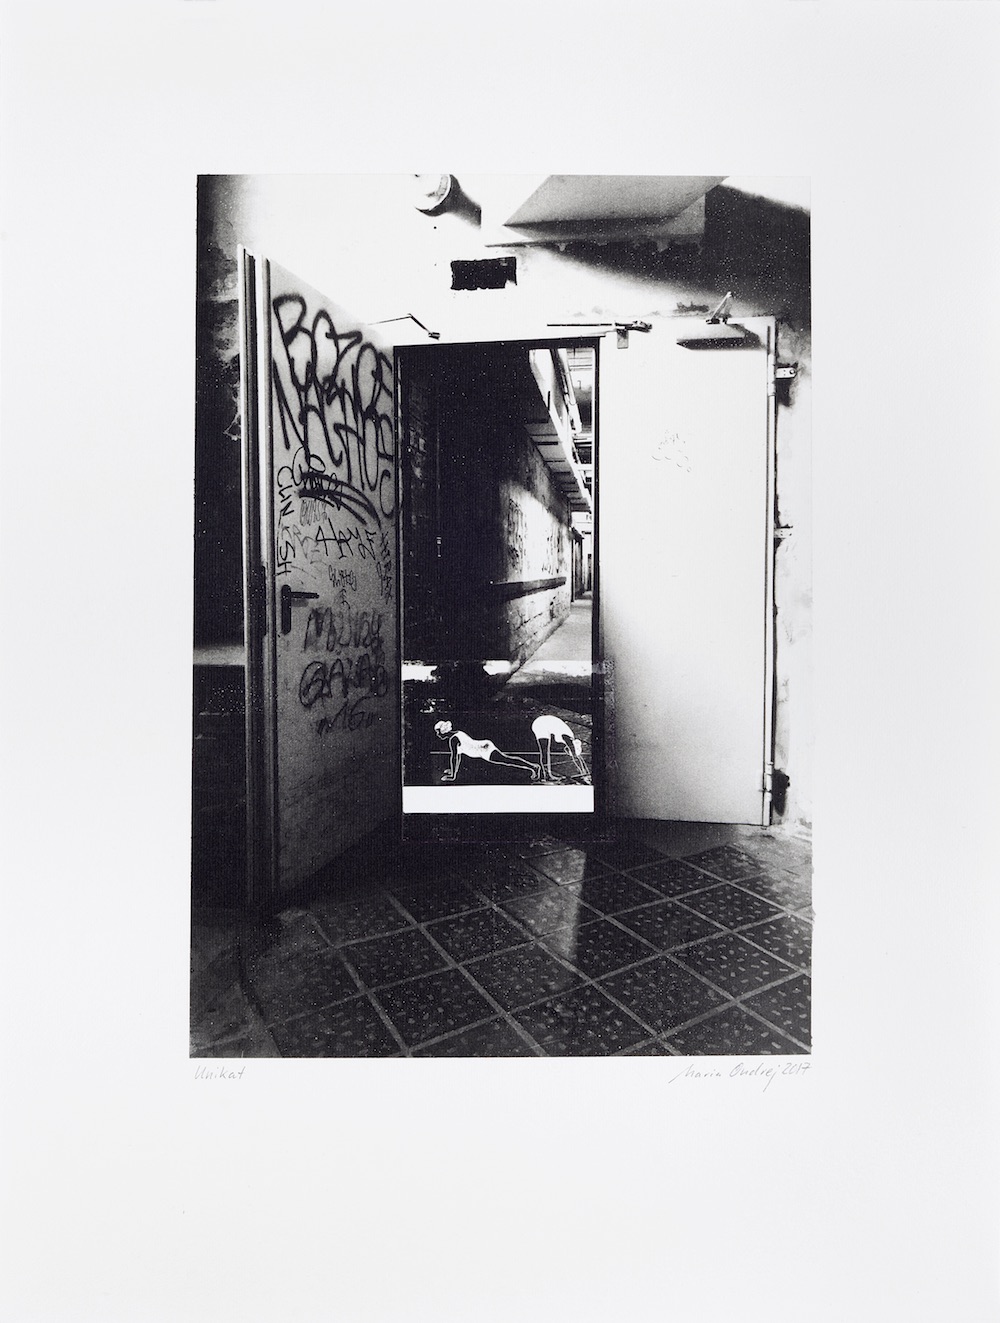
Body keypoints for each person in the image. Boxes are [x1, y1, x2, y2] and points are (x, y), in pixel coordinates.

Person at [433, 720, 540, 783]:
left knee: (506, 760)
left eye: (438, 732)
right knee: (507, 759)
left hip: (483, 750)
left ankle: (533, 767)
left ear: (443, 731)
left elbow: (454, 757)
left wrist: (453, 776)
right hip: (483, 746)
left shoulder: (453, 740)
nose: (438, 735)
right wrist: (453, 771)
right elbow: (458, 757)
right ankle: (533, 766)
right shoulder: (457, 733)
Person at [531, 713, 591, 783]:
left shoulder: (568, 736)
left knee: (545, 752)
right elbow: (575, 756)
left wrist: (584, 772)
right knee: (545, 751)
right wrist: (584, 773)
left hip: (543, 723)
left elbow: (576, 755)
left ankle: (545, 775)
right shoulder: (568, 736)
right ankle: (545, 776)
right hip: (541, 724)